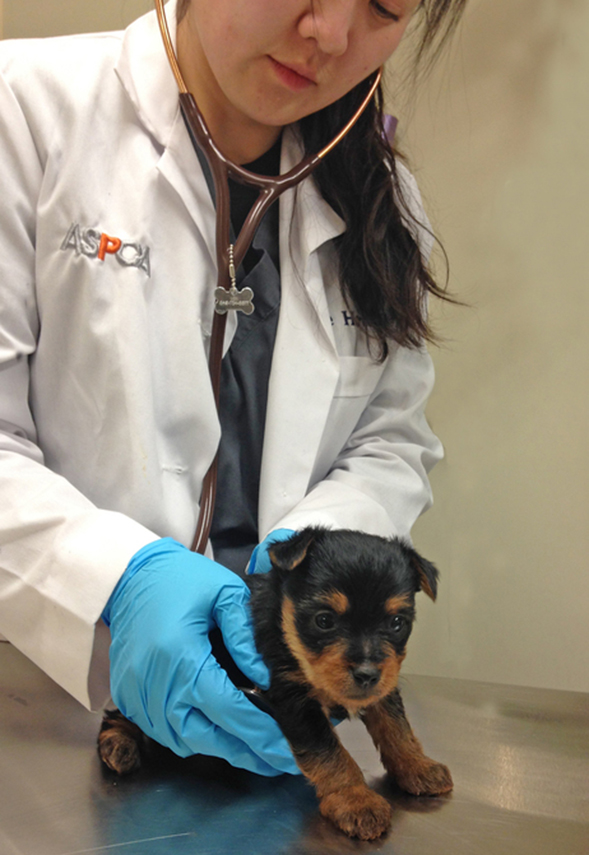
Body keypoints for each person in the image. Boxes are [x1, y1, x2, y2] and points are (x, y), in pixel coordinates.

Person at [0, 0, 466, 777]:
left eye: (383, 6)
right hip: (44, 709)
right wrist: (117, 578)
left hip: (283, 700)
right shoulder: (23, 109)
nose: (330, 35)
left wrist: (306, 556)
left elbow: (392, 439)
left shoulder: (383, 198)